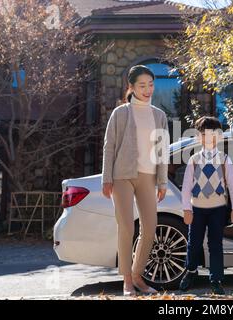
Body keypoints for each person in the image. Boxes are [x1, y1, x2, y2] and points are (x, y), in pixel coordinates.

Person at [101, 65, 169, 296]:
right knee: (126, 227)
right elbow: (109, 147)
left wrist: (162, 182)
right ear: (130, 87)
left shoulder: (159, 116)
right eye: (142, 85)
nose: (148, 89)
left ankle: (138, 275)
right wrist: (106, 178)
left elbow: (162, 152)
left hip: (149, 177)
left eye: (151, 85)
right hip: (122, 176)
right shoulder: (120, 113)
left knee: (150, 228)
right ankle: (127, 280)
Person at [179, 116, 233, 295]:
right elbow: (186, 187)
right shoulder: (194, 160)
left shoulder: (224, 159)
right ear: (199, 137)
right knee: (194, 243)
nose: (208, 138)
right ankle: (191, 270)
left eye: (213, 134)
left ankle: (216, 279)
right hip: (197, 209)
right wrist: (186, 209)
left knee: (216, 244)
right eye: (204, 135)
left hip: (218, 209)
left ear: (219, 136)